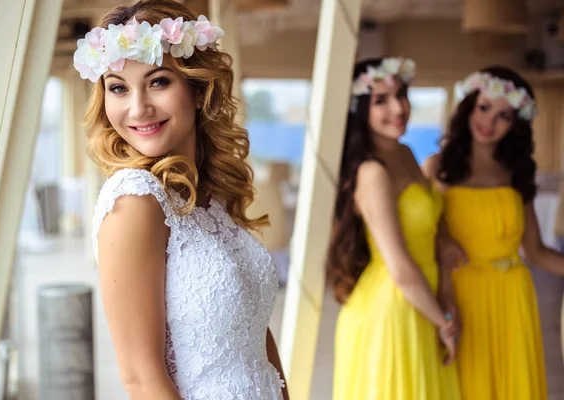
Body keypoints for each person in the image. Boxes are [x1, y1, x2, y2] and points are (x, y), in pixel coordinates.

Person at [75, 1, 288, 398]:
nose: (138, 108)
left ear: (197, 87)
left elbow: (257, 339)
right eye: (118, 88)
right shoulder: (135, 202)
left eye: (158, 81)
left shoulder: (210, 194)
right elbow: (141, 379)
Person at [424, 66, 564, 400]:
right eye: (484, 107)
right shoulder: (436, 167)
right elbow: (419, 234)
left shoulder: (518, 173)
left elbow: (536, 251)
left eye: (503, 115)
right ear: (469, 105)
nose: (489, 121)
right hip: (459, 295)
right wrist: (440, 240)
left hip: (512, 297)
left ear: (516, 124)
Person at [327, 57, 460, 400]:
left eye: (400, 95)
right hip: (394, 308)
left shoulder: (405, 153)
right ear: (360, 111)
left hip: (423, 298)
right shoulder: (372, 173)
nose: (398, 108)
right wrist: (444, 322)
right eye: (380, 100)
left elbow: (430, 229)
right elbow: (400, 267)